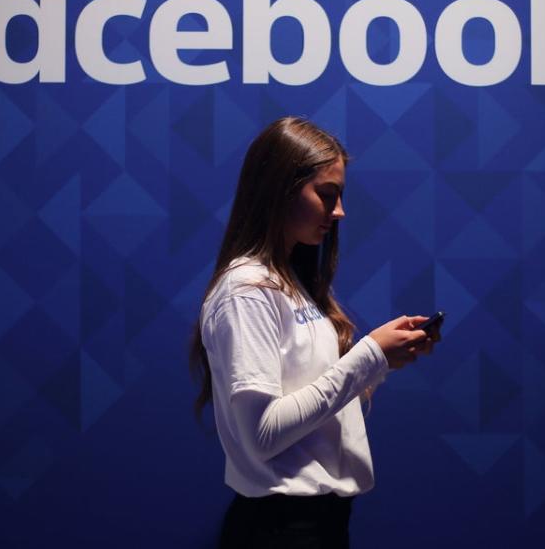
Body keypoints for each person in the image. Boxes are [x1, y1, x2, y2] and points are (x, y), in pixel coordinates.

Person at [188, 116, 442, 548]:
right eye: (327, 195)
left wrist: (382, 361)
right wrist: (368, 357)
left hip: (320, 523)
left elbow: (310, 396)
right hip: (281, 529)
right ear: (279, 191)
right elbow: (264, 435)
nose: (339, 212)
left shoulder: (292, 284)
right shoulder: (247, 291)